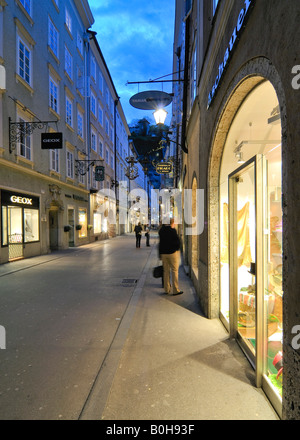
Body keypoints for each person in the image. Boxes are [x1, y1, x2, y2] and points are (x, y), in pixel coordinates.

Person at [159, 218, 183, 296]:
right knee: (174, 270)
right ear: (172, 223)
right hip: (172, 253)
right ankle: (175, 290)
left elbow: (160, 243)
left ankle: (167, 289)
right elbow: (177, 242)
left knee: (166, 271)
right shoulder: (173, 231)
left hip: (164, 254)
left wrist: (160, 253)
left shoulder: (161, 231)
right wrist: (176, 249)